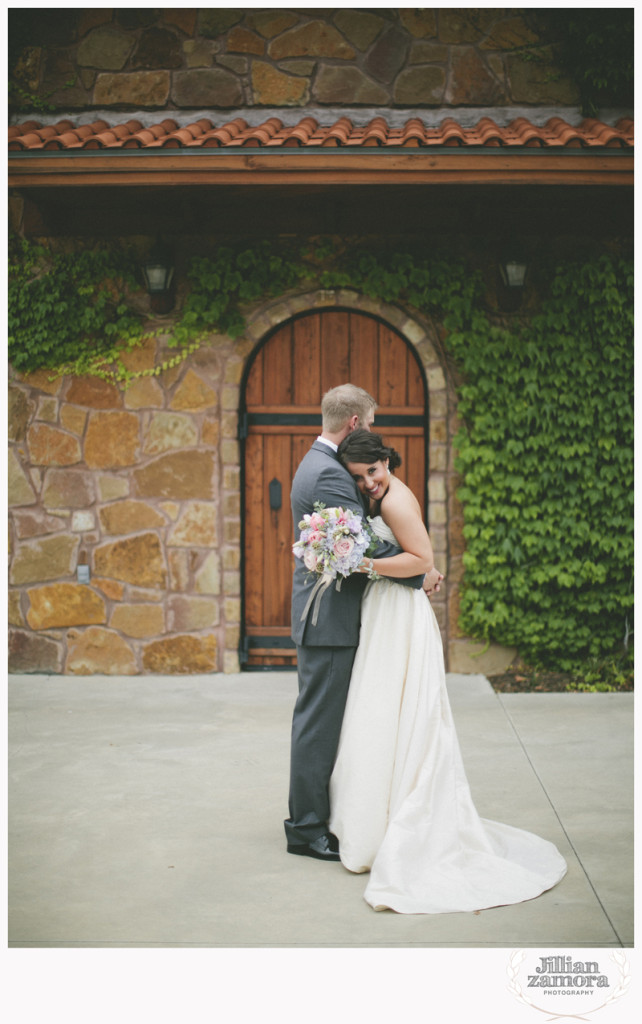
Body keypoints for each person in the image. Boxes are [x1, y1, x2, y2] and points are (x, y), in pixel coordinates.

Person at [328, 429, 567, 913]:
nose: (368, 483)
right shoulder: (384, 497)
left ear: (386, 462)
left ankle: (396, 820)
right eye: (358, 477)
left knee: (396, 708)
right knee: (383, 708)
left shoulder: (395, 501)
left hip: (399, 612)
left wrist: (363, 564)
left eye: (373, 472)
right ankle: (378, 814)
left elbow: (422, 559)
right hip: (389, 610)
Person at [285, 385, 442, 862]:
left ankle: (320, 816)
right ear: (355, 421)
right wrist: (421, 571)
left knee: (327, 719)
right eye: (370, 422)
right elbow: (360, 547)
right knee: (318, 723)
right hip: (329, 618)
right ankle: (306, 828)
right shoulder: (331, 475)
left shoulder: (317, 462)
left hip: (331, 615)